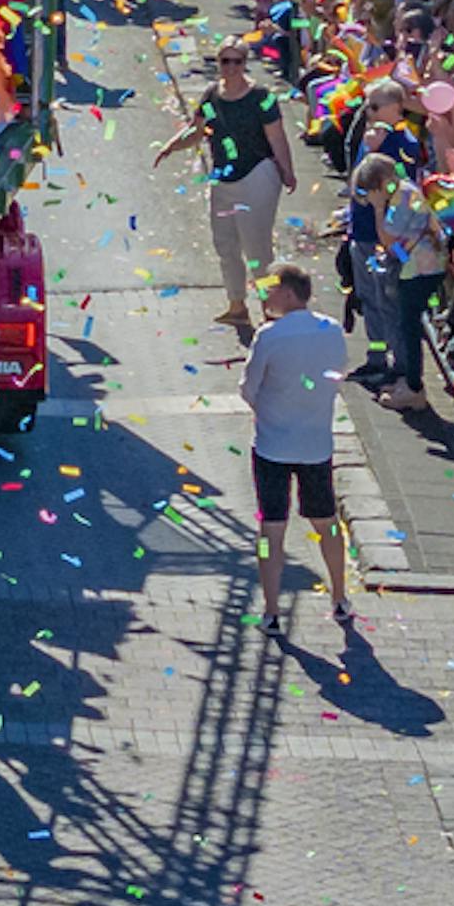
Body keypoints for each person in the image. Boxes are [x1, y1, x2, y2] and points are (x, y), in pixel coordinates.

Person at [234, 263, 359, 639]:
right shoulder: (332, 330)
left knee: (272, 528)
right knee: (326, 521)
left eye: (270, 290)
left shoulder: (269, 337)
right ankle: (339, 596)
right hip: (316, 443)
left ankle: (272, 611)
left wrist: (267, 410)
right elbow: (338, 372)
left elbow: (248, 387)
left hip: (273, 444)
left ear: (288, 293)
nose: (265, 296)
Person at [156, 46, 297, 333]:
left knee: (258, 250)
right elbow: (197, 130)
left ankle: (268, 309)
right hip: (223, 178)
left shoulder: (261, 98)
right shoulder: (212, 96)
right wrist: (171, 145)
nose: (231, 67)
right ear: (218, 63)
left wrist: (287, 171)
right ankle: (237, 306)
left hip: (257, 175)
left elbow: (277, 136)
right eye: (225, 61)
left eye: (238, 61)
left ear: (245, 63)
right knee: (226, 245)